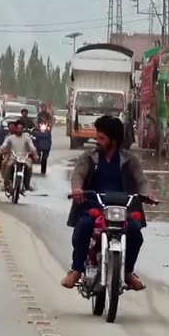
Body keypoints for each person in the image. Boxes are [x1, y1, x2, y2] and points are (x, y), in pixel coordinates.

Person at [63, 115, 150, 292]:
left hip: (122, 208)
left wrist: (147, 194)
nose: (97, 141)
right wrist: (77, 189)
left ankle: (127, 272)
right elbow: (78, 174)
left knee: (135, 232)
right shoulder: (89, 157)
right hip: (94, 206)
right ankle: (77, 269)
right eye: (97, 136)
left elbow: (141, 180)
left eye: (101, 138)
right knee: (84, 225)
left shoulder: (129, 160)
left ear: (114, 140)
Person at [0, 119, 38, 191]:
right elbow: (3, 146)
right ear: (16, 128)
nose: (19, 130)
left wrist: (35, 154)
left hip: (24, 157)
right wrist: (1, 150)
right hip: (13, 157)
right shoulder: (10, 138)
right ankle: (6, 184)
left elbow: (32, 147)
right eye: (18, 128)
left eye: (21, 128)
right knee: (8, 165)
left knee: (29, 167)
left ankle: (27, 184)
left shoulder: (27, 138)